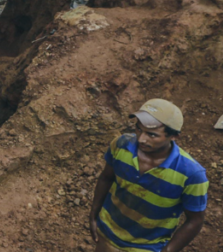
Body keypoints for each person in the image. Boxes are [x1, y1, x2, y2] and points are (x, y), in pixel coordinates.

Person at [88, 99, 208, 252]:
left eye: (152, 135)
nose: (141, 139)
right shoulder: (121, 145)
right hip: (107, 234)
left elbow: (195, 221)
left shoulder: (191, 175)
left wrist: (168, 250)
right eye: (138, 129)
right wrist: (94, 214)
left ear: (174, 136)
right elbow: (106, 178)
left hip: (147, 247)